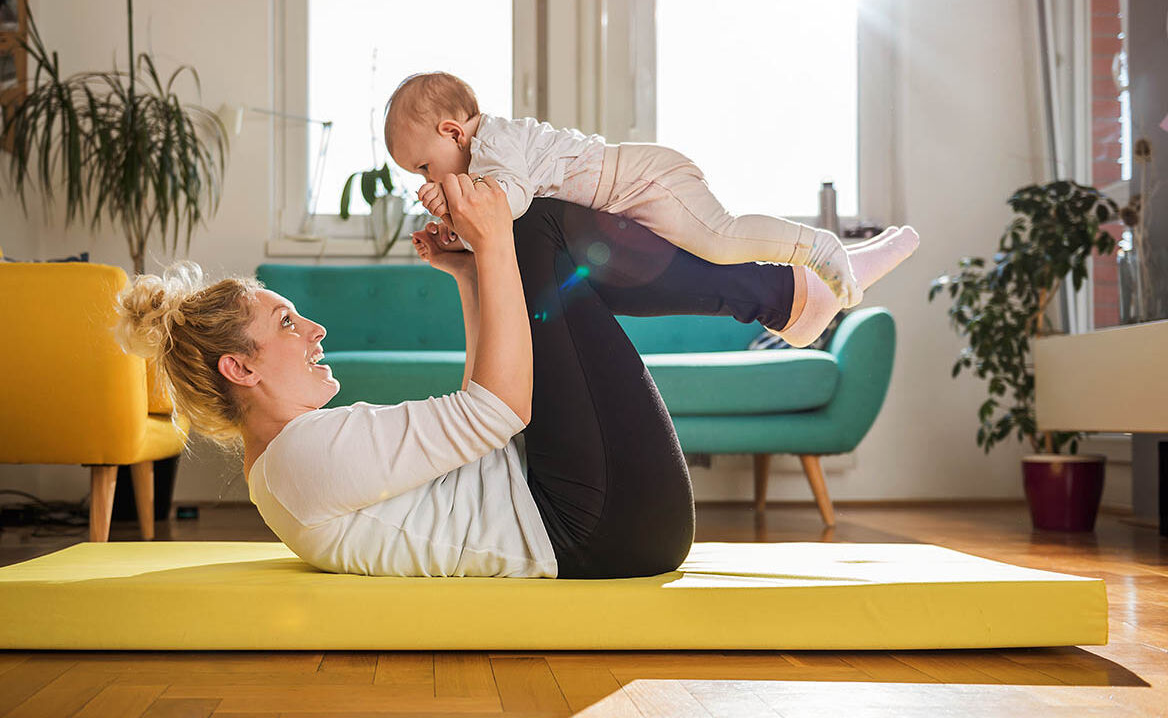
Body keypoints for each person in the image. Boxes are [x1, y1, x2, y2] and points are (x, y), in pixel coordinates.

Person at [114, 173, 913, 579]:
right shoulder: (302, 460)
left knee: (537, 228)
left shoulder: (294, 460)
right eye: (287, 322)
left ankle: (786, 297)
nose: (314, 329)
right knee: (532, 221)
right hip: (598, 526)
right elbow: (497, 411)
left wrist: (475, 276)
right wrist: (497, 247)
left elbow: (480, 426)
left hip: (583, 508)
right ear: (238, 366)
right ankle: (785, 295)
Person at [383, 71, 921, 312]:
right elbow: (500, 227)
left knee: (722, 240)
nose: (428, 180)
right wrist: (458, 229)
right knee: (706, 259)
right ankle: (801, 302)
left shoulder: (494, 142)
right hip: (630, 199)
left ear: (454, 133)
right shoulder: (483, 159)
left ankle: (821, 248)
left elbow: (511, 200)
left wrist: (454, 200)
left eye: (425, 166)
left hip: (647, 180)